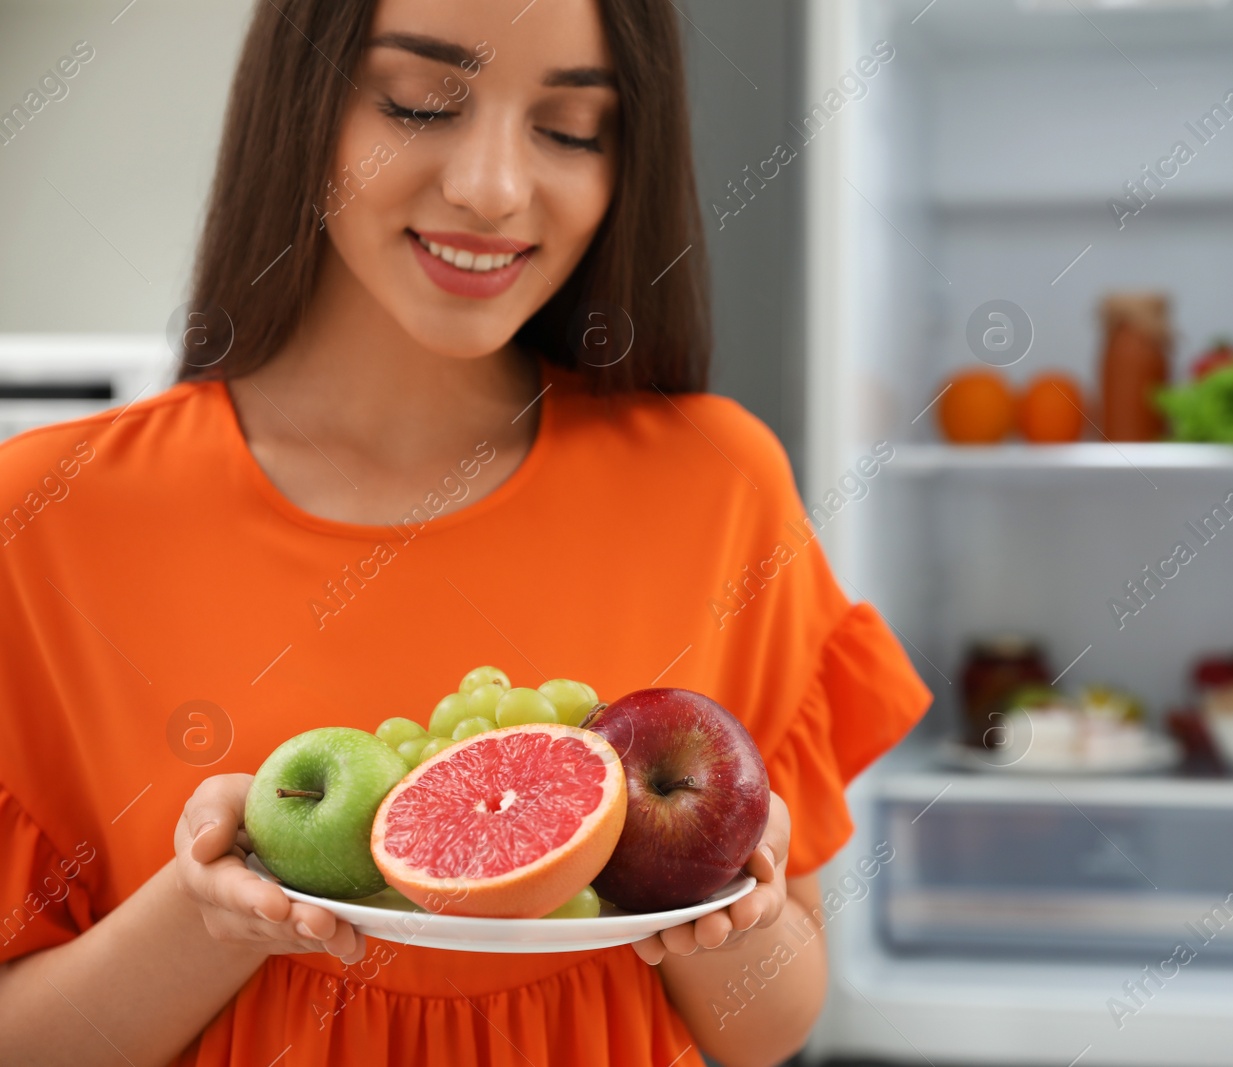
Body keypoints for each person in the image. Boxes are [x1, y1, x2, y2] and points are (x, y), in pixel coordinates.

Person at [0, 0, 930, 1063]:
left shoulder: (718, 485)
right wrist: (211, 911)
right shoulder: (45, 516)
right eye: (421, 104)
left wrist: (728, 917)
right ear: (300, 105)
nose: (491, 188)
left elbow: (768, 1028)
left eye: (572, 129)